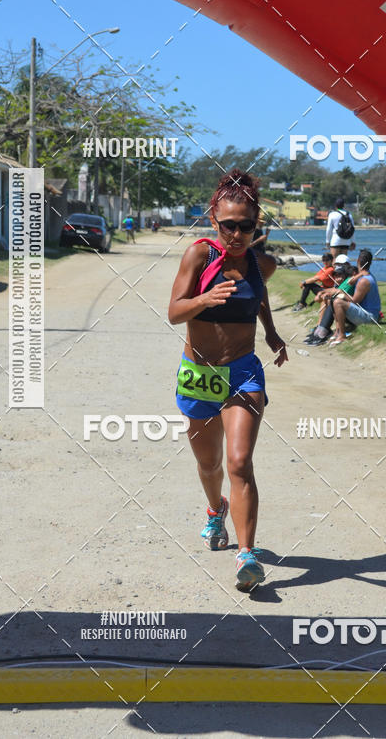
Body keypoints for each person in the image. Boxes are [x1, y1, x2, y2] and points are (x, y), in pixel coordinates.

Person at [168, 169, 288, 591]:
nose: (237, 234)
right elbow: (174, 312)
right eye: (229, 225)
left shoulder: (262, 263)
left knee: (239, 462)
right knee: (209, 464)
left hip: (242, 372)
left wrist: (271, 333)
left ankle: (246, 555)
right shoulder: (198, 255)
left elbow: (259, 295)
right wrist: (204, 299)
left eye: (246, 226)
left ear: (257, 225)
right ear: (213, 220)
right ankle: (214, 509)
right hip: (200, 373)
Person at [328, 249, 381, 346]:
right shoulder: (368, 275)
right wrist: (356, 277)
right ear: (370, 263)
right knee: (335, 299)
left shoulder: (363, 281)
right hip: (373, 314)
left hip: (370, 317)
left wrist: (341, 292)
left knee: (338, 302)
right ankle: (338, 331)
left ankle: (342, 335)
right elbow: (363, 272)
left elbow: (355, 301)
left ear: (357, 261)